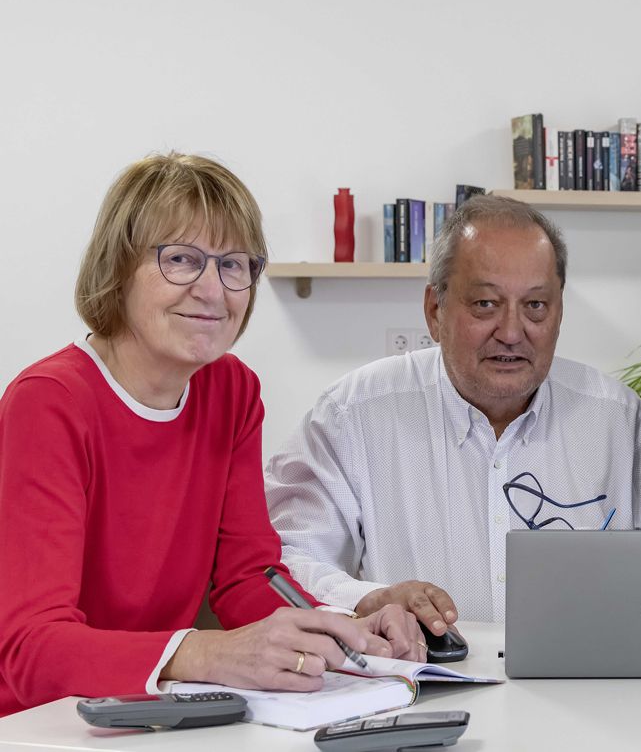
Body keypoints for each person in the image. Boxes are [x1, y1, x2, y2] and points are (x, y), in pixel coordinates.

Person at [0, 154, 423, 717]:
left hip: (153, 712)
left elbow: (246, 577)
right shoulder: (49, 402)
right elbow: (31, 650)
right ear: (118, 268)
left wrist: (340, 627)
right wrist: (205, 652)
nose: (212, 290)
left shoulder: (232, 392)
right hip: (44, 723)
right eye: (180, 259)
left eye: (233, 265)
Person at [265, 195, 641, 626]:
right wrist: (367, 599)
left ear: (559, 313)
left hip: (580, 686)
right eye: (485, 305)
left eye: (535, 306)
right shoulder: (354, 415)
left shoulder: (618, 423)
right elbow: (286, 554)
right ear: (435, 311)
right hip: (422, 684)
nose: (511, 333)